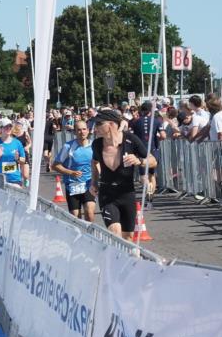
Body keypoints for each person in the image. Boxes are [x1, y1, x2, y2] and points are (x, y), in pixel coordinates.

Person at [90, 109, 156, 238]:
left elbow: (153, 161)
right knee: (115, 231)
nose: (95, 127)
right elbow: (94, 162)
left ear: (111, 124)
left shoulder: (130, 140)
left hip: (127, 193)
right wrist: (94, 182)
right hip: (107, 194)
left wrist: (139, 161)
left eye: (99, 124)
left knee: (128, 237)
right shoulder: (97, 144)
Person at [52, 120, 96, 222]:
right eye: (79, 130)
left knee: (89, 212)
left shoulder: (93, 146)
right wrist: (70, 172)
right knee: (76, 219)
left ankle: (90, 233)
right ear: (75, 132)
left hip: (89, 184)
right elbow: (55, 165)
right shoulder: (68, 147)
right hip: (73, 185)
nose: (82, 132)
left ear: (88, 130)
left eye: (84, 129)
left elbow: (98, 163)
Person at [130, 102, 165, 199]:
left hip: (141, 150)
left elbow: (131, 136)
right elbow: (163, 135)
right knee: (151, 174)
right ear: (151, 111)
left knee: (143, 175)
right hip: (153, 150)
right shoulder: (157, 121)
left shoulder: (135, 122)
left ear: (141, 110)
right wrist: (157, 139)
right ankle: (150, 196)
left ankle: (148, 193)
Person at [0, 119, 27, 185]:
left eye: (10, 126)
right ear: (1, 129)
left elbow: (23, 160)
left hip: (14, 179)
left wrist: (18, 159)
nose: (8, 128)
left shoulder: (17, 143)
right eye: (6, 127)